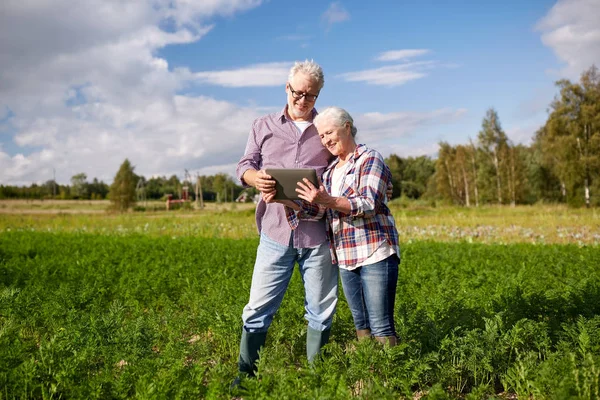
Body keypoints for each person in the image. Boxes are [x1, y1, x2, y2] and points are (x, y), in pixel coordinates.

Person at [233, 60, 338, 384]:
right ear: (286, 88)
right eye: (298, 92)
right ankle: (246, 377)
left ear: (318, 96)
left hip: (316, 235)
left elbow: (343, 167)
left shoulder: (326, 129)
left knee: (321, 310)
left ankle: (315, 378)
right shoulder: (263, 125)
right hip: (275, 233)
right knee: (257, 308)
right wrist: (256, 179)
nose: (303, 100)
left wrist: (323, 194)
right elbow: (244, 165)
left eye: (311, 96)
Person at [269, 106, 401, 346]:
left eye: (329, 132)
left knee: (381, 326)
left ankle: (389, 378)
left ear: (347, 127)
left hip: (374, 251)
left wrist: (326, 200)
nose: (325, 140)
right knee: (361, 326)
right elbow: (319, 210)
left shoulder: (369, 158)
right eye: (321, 136)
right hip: (346, 255)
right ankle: (368, 376)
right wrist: (282, 198)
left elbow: (368, 203)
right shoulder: (329, 172)